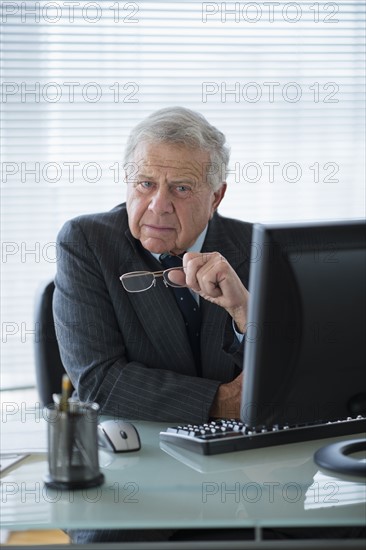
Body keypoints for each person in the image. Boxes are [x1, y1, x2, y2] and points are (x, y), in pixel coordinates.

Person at [53, 107, 253, 544]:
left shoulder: (254, 247)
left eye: (181, 188)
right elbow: (99, 382)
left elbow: (292, 377)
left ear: (216, 196)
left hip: (241, 468)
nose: (158, 206)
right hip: (132, 464)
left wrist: (246, 316)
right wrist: (223, 401)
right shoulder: (87, 243)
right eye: (145, 184)